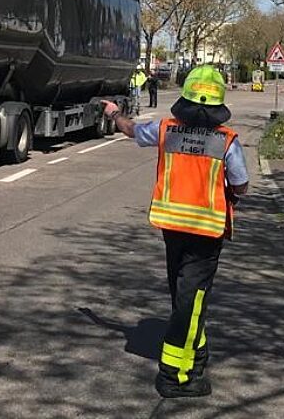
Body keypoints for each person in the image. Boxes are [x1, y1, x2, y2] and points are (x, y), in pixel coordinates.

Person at [101, 65, 249, 399]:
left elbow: (131, 130)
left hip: (172, 227)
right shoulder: (227, 141)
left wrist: (114, 114)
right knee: (191, 301)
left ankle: (196, 353)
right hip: (206, 232)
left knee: (184, 296)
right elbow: (241, 185)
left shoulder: (166, 129)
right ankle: (175, 376)